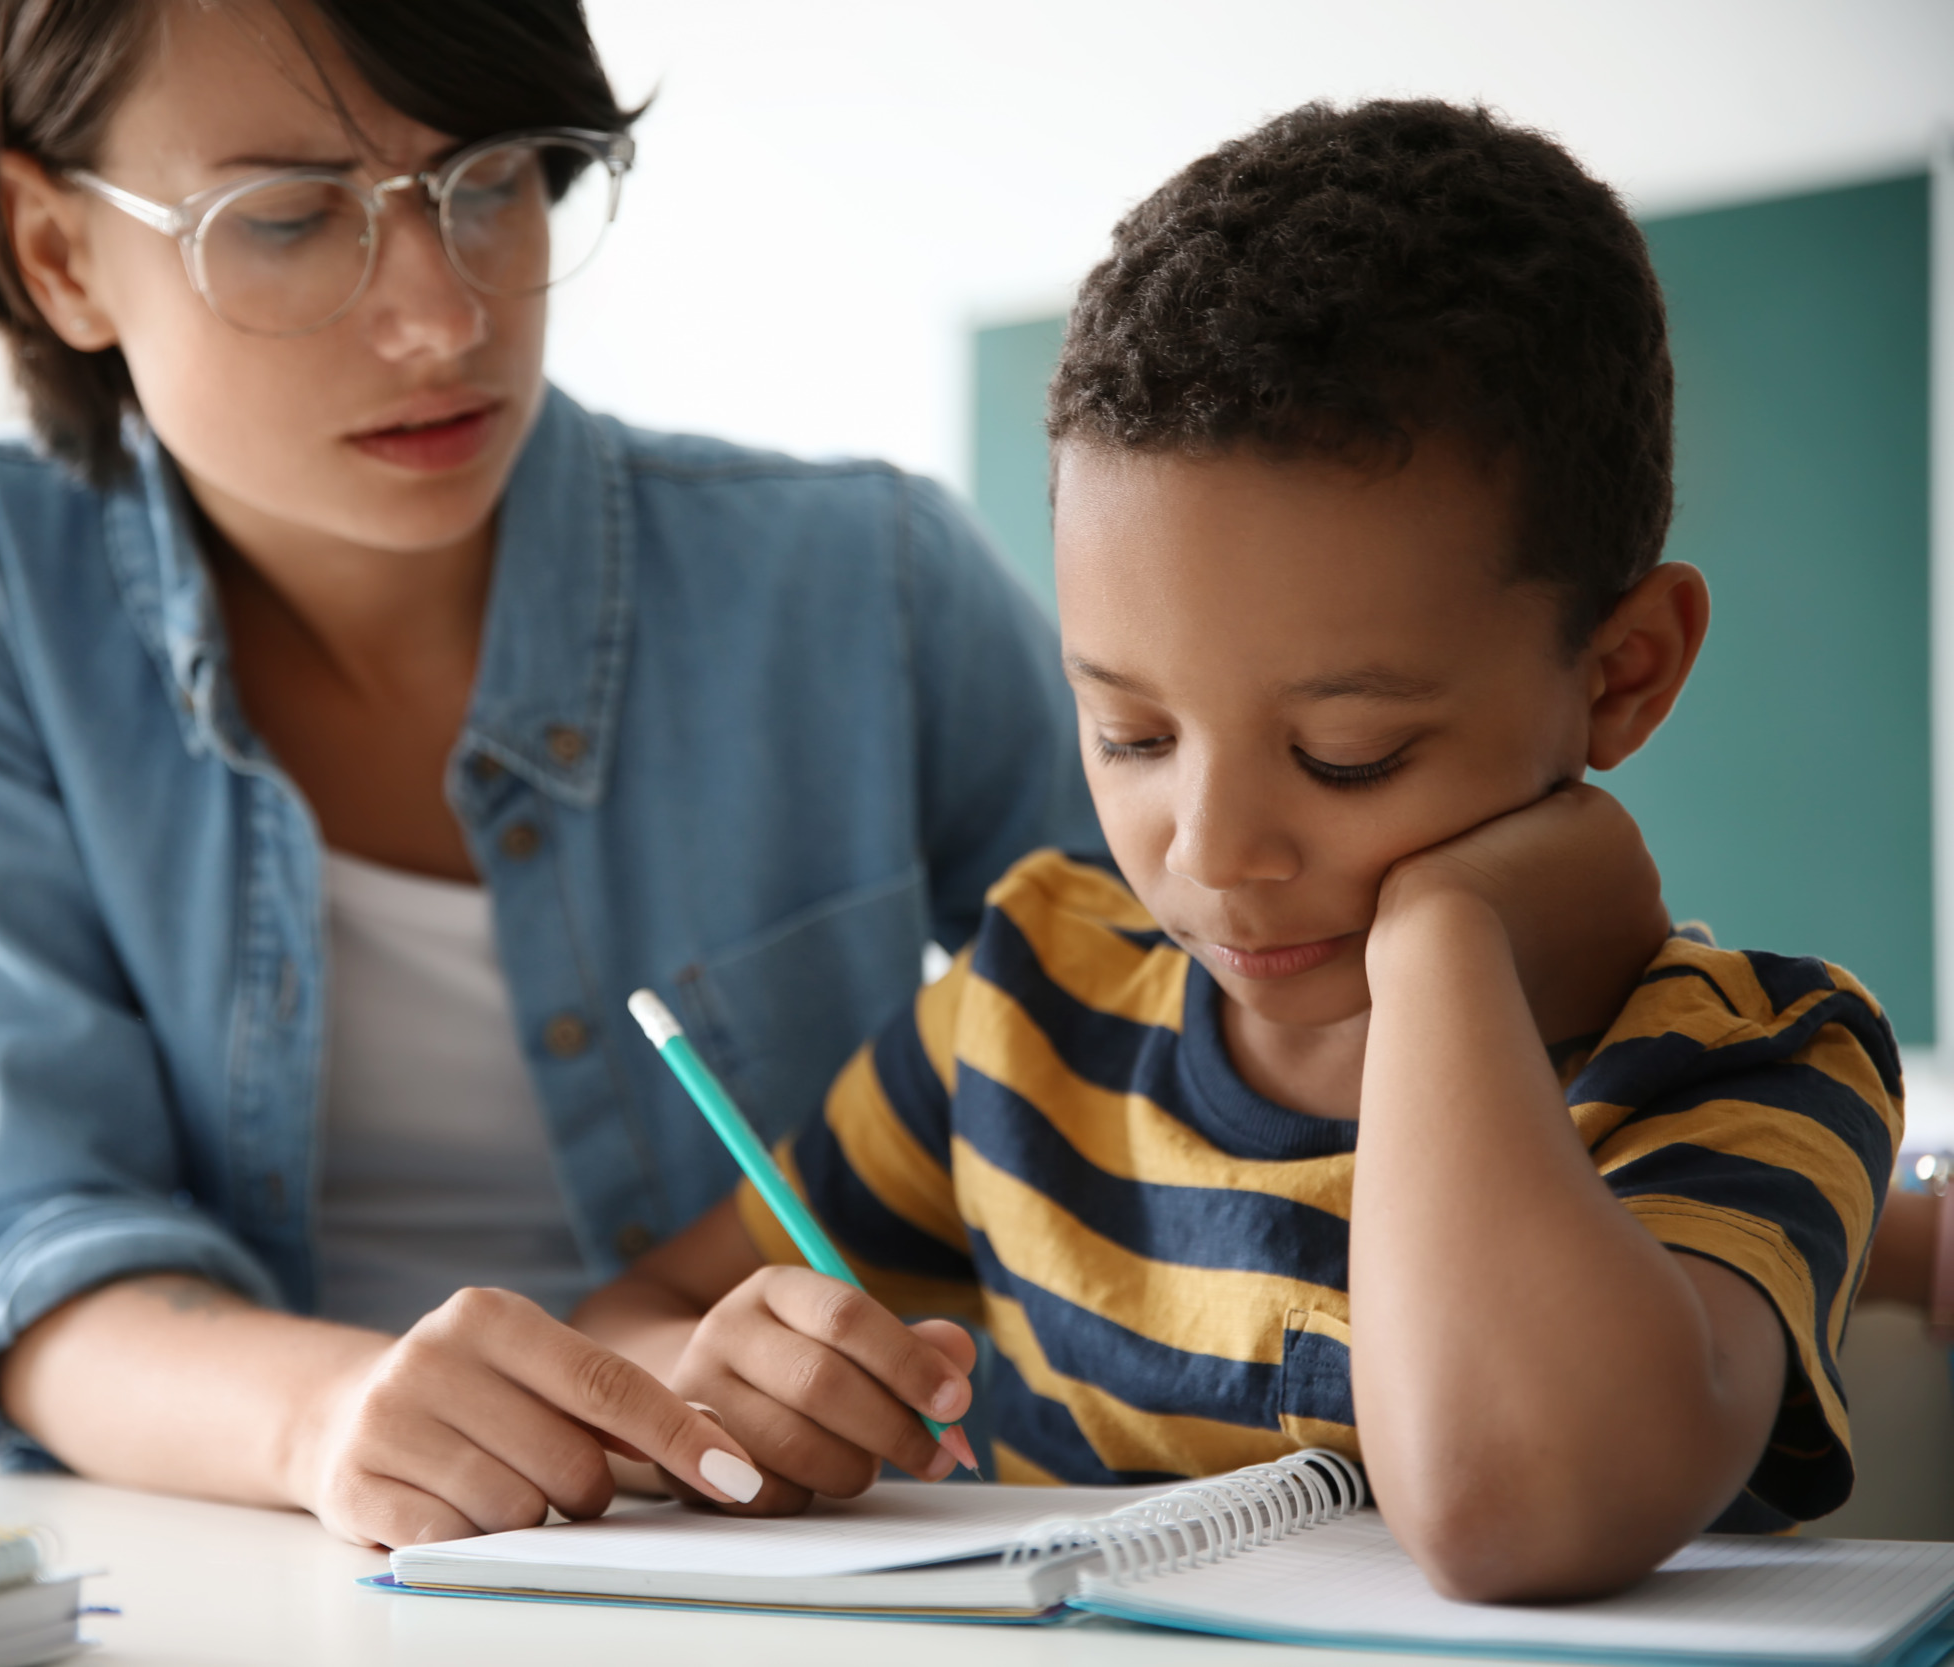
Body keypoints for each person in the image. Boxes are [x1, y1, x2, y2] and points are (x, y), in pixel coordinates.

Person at [576, 100, 1900, 1603]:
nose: (1210, 852)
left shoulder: (1748, 1068)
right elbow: (648, 1307)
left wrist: (1447, 940)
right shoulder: (1029, 1004)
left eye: (1349, 757)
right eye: (1130, 735)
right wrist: (733, 1376)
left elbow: (1518, 1512)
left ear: (1623, 674)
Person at [0, 0, 1094, 1550]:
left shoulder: (872, 587)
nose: (445, 314)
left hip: (808, 1574)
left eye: (492, 180)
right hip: (244, 1580)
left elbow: (1195, 1067)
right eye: (290, 217)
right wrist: (332, 1418)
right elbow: (18, 1253)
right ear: (56, 255)